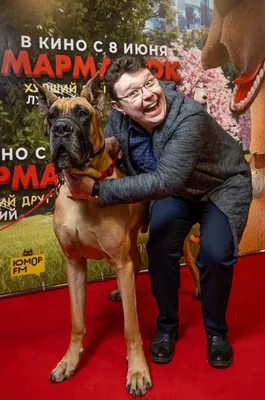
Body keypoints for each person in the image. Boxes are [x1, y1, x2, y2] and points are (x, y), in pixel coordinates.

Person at [66, 55, 252, 368]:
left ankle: (216, 331)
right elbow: (106, 141)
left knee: (215, 254)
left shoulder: (187, 117)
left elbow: (165, 180)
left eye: (149, 83)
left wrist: (97, 190)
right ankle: (166, 327)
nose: (148, 95)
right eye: (134, 93)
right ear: (120, 107)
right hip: (179, 193)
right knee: (160, 246)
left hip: (220, 188)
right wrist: (98, 149)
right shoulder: (121, 121)